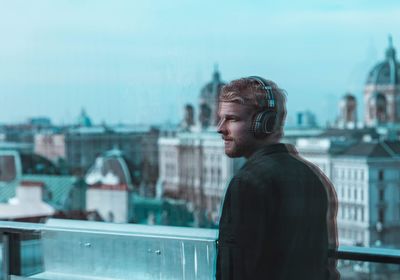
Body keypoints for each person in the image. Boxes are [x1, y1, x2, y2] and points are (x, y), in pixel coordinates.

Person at [216, 76, 339, 279]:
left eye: (232, 119)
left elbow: (234, 272)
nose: (220, 128)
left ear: (263, 124)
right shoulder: (313, 177)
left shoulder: (247, 182)